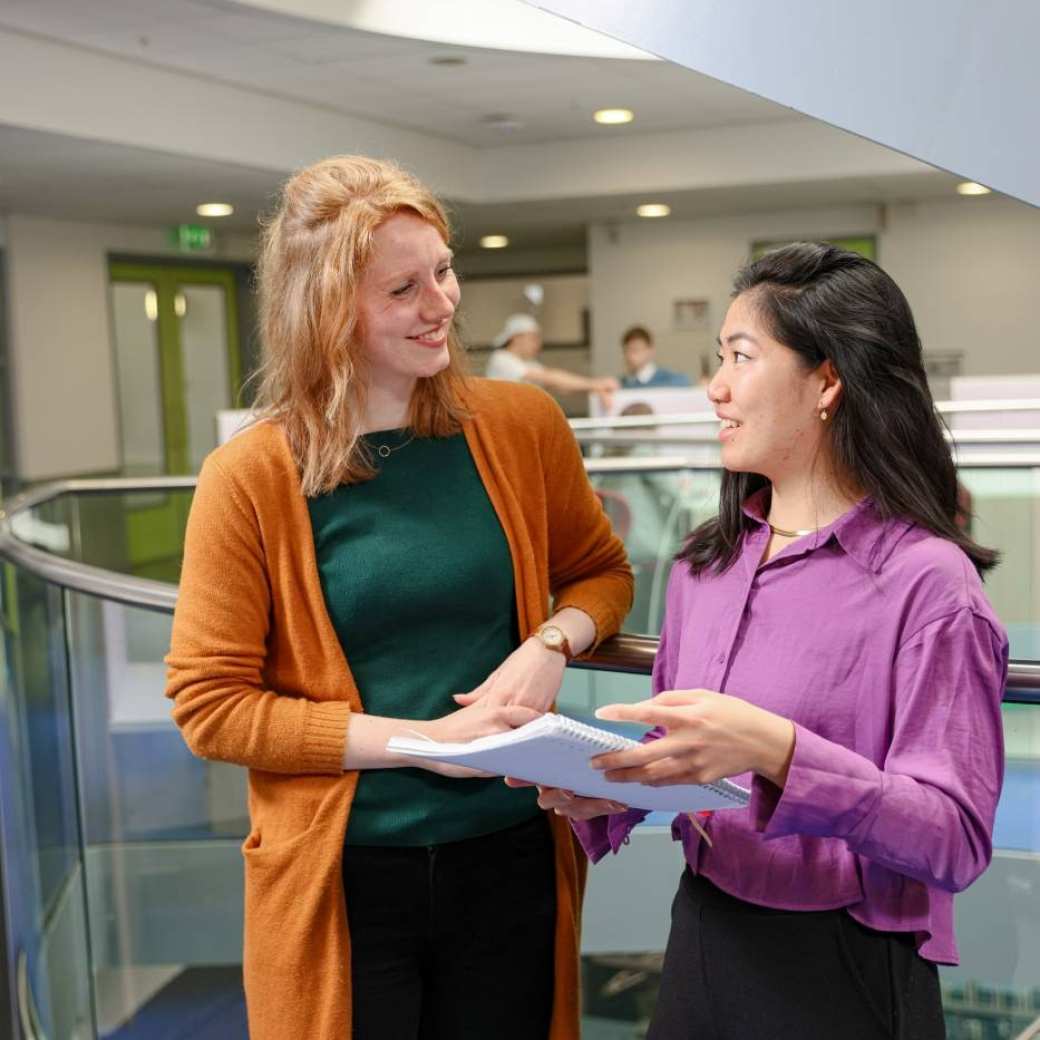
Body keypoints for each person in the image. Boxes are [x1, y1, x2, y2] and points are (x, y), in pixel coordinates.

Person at [165, 154, 633, 1040]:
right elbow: (210, 706)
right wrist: (425, 743)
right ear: (328, 311)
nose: (443, 303)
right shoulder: (251, 478)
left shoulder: (520, 425)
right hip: (342, 876)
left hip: (511, 852)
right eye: (404, 289)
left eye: (445, 271)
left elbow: (601, 572)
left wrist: (551, 645)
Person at [534, 243, 1008, 1039]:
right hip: (704, 939)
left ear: (827, 381)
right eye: (717, 358)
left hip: (849, 967)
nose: (715, 388)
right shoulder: (704, 563)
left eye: (741, 357)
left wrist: (780, 750)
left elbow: (953, 839)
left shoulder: (929, 585)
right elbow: (685, 757)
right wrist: (611, 788)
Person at [486, 312, 619, 408]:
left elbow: (560, 384)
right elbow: (550, 377)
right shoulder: (501, 359)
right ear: (516, 338)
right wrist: (594, 384)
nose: (538, 344)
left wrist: (595, 389)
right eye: (533, 338)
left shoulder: (529, 364)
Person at [619, 325, 691, 388]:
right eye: (626, 351)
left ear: (651, 351)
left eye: (635, 350)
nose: (629, 356)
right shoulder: (622, 383)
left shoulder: (674, 380)